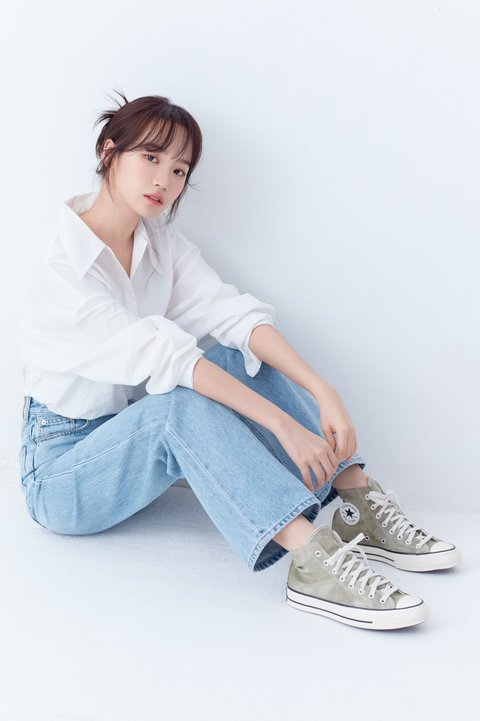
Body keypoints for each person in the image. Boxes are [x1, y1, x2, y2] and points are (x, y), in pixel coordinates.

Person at [18, 90, 460, 632]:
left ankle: (354, 500)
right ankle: (311, 559)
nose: (164, 180)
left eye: (179, 169)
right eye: (150, 157)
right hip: (62, 474)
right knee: (176, 402)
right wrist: (284, 427)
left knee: (236, 354)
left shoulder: (158, 241)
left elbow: (232, 314)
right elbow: (167, 358)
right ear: (109, 152)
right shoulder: (64, 269)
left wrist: (324, 390)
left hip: (124, 438)